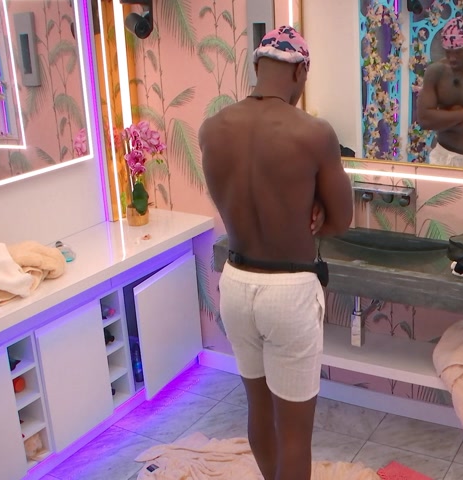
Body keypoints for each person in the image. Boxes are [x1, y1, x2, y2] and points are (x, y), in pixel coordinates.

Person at [199, 26, 353, 480]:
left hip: (236, 282)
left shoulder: (212, 129)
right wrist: (317, 205)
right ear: (301, 71)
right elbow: (342, 221)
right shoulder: (315, 133)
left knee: (259, 411)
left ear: (256, 66)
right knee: (294, 433)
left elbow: (240, 197)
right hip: (289, 290)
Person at [417, 16, 463, 168]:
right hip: (443, 155)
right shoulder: (436, 72)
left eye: (458, 52)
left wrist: (444, 118)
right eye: (448, 52)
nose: (452, 58)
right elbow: (425, 120)